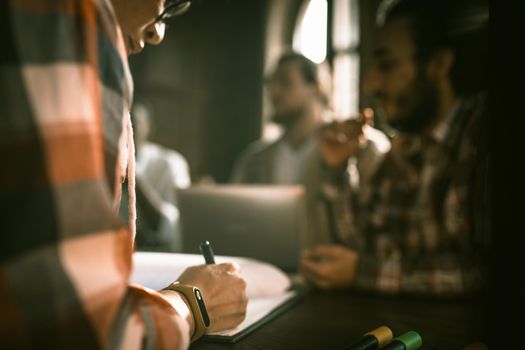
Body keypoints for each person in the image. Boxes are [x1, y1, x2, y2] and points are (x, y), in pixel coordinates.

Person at [0, 0, 247, 348]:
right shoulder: (71, 15)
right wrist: (194, 304)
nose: (157, 32)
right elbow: (84, 330)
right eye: (166, 5)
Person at [300, 0, 489, 295]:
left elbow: (488, 273)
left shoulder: (486, 137)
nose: (370, 84)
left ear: (439, 65)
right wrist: (338, 168)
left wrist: (362, 273)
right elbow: (367, 248)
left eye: (386, 65)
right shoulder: (403, 151)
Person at [231, 52, 390, 247]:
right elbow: (235, 223)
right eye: (270, 84)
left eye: (285, 82)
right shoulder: (253, 161)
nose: (273, 92)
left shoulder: (364, 147)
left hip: (334, 273)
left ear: (315, 87)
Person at [123, 102, 191, 252]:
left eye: (133, 122)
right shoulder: (99, 165)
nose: (125, 128)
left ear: (149, 128)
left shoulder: (170, 164)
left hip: (161, 255)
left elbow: (173, 228)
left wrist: (134, 179)